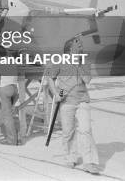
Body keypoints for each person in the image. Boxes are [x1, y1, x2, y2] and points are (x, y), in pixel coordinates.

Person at [46, 35, 100, 174]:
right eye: (79, 45)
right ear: (70, 48)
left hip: (82, 98)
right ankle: (71, 157)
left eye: (81, 45)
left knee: (85, 129)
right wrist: (56, 93)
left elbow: (87, 80)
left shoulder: (83, 61)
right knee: (68, 131)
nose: (81, 47)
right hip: (65, 97)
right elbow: (50, 78)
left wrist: (78, 65)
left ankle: (89, 162)